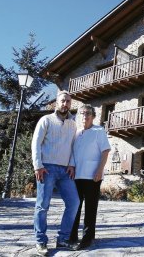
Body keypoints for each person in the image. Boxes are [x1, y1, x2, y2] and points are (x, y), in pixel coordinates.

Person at [31, 90, 80, 256]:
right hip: (47, 168)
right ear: (56, 103)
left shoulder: (73, 124)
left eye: (68, 101)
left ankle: (63, 239)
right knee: (42, 205)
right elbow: (35, 144)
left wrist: (72, 165)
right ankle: (41, 241)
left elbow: (74, 147)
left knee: (74, 203)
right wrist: (38, 165)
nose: (65, 104)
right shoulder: (46, 120)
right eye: (63, 101)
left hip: (65, 170)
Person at [69, 104, 111, 249]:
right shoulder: (76, 132)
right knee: (75, 207)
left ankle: (87, 238)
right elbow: (72, 153)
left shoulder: (99, 131)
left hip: (93, 176)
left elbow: (105, 151)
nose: (84, 116)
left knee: (90, 208)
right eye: (82, 113)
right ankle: (72, 236)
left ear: (93, 116)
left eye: (88, 113)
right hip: (76, 176)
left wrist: (100, 170)